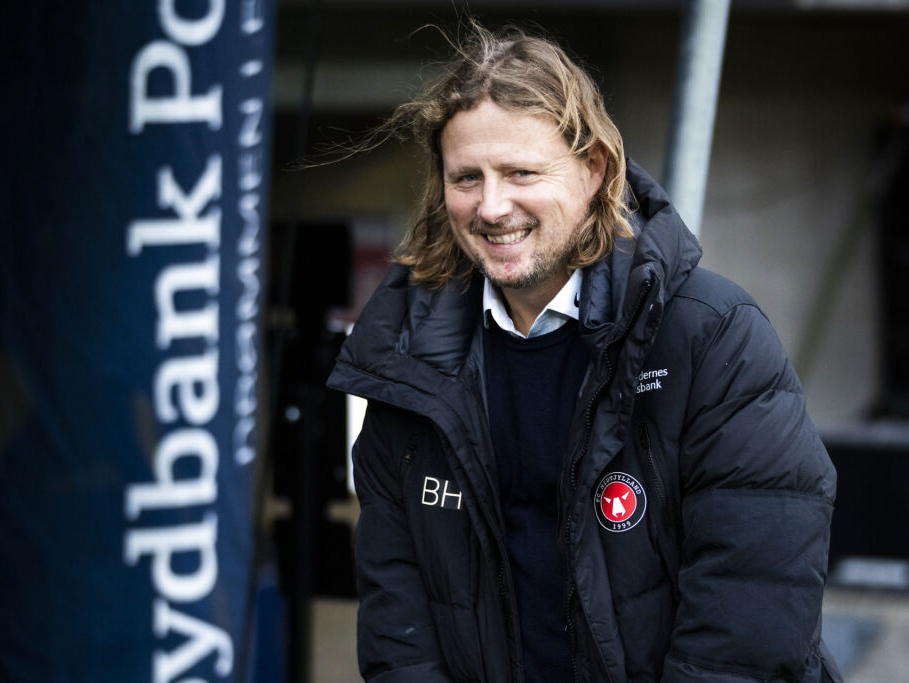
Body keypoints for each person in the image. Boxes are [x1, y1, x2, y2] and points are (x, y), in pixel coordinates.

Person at [326, 22, 841, 683]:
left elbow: (752, 608)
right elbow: (400, 631)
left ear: (593, 170)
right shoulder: (408, 360)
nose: (491, 205)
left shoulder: (712, 337)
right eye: (466, 177)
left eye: (521, 172)